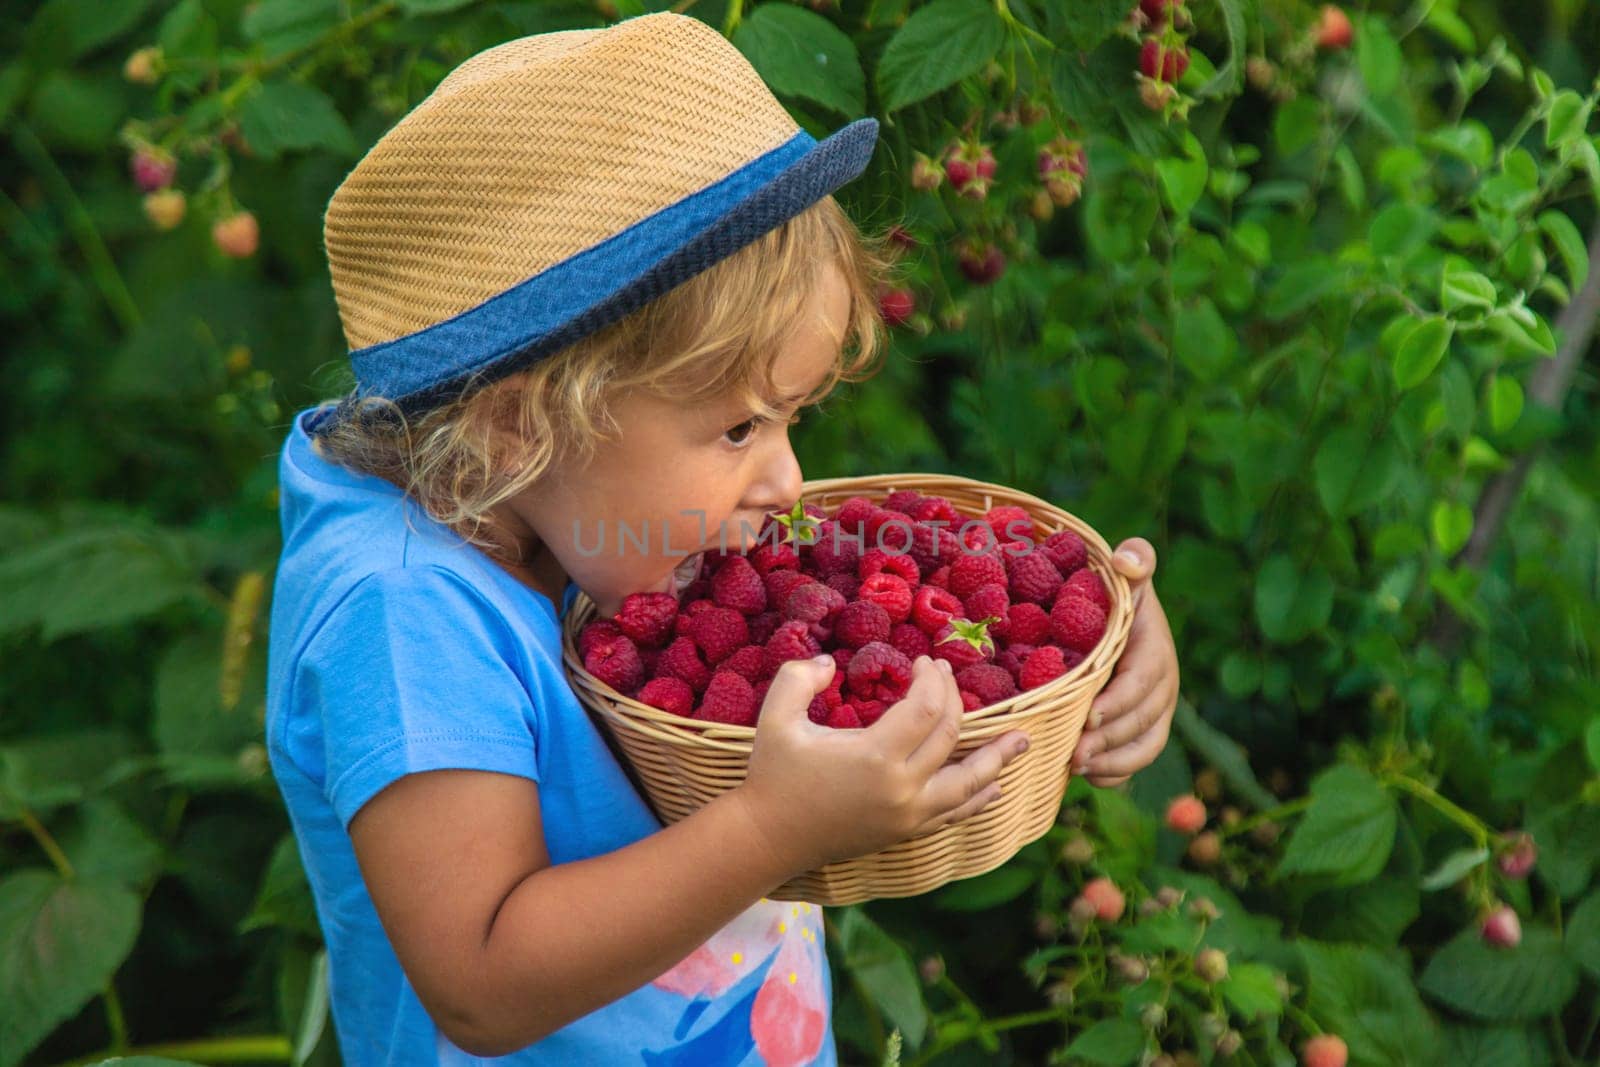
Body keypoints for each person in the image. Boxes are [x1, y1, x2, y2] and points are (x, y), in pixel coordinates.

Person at [265, 11, 1179, 1066]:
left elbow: (882, 642)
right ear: (520, 423)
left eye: (790, 418)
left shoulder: (566, 508)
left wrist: (1095, 643)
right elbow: (479, 980)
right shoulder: (404, 610)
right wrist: (769, 830)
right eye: (739, 426)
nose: (786, 481)